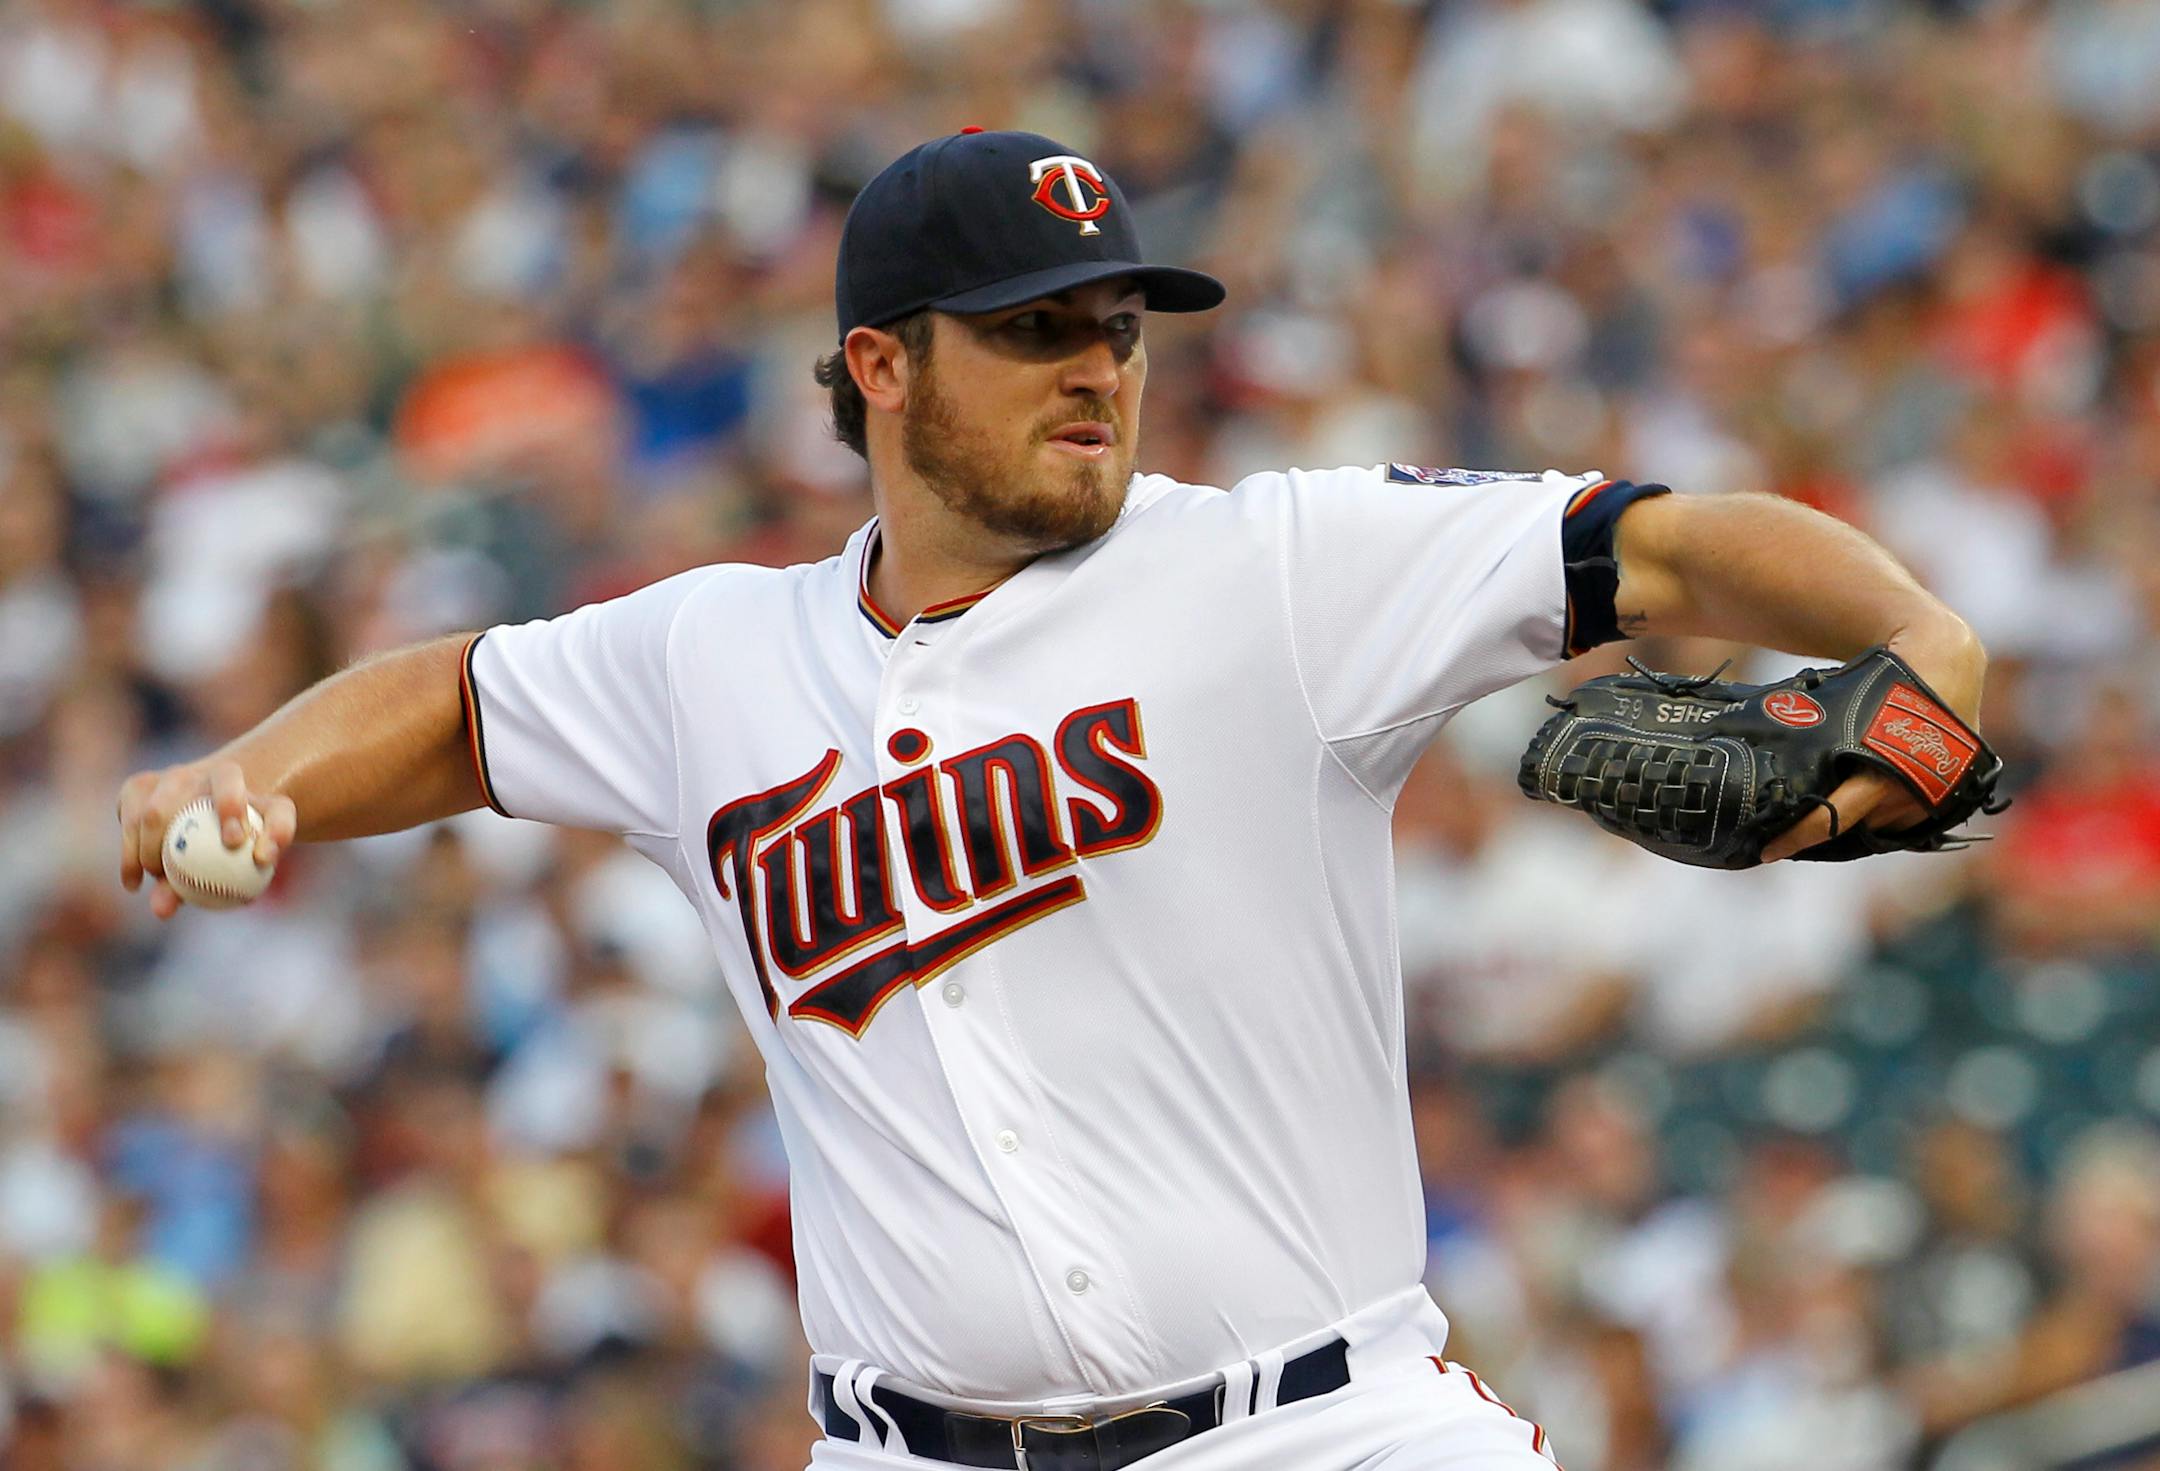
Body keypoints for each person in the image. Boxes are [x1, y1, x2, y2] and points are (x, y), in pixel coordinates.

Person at [116, 129, 1988, 1470]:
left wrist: (1920, 634)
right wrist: (258, 770)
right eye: (1034, 328)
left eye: (1118, 323)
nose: (1098, 364)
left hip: (1324, 1431)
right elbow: (456, 701)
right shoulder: (707, 660)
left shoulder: (1272, 567)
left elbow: (1652, 550)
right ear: (881, 368)